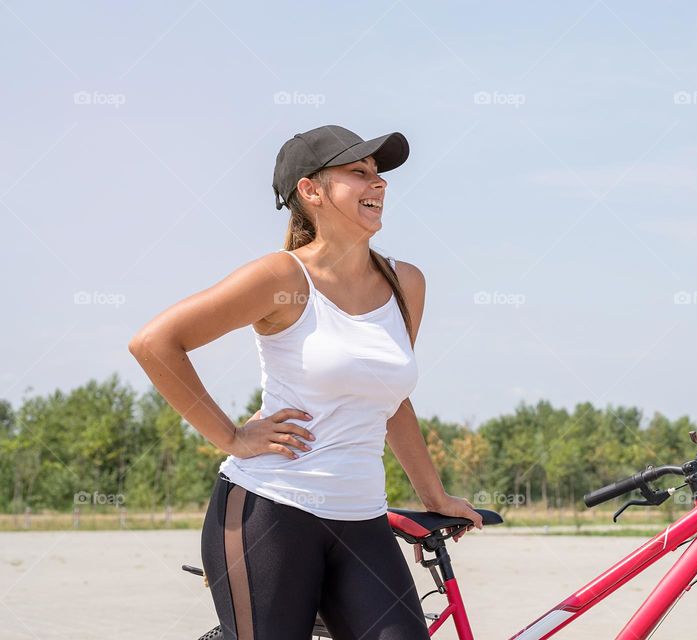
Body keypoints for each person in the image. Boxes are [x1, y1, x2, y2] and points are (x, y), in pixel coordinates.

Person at [128, 125, 482, 639]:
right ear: (311, 191)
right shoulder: (282, 278)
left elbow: (390, 400)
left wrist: (435, 495)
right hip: (270, 512)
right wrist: (230, 437)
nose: (377, 184)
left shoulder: (405, 282)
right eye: (358, 173)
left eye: (378, 175)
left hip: (362, 519)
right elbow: (155, 343)